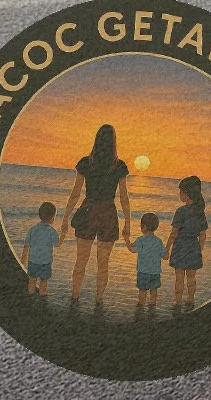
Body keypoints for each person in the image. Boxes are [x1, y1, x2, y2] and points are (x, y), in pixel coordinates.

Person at [60, 124, 132, 304]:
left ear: (96, 139)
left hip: (88, 211)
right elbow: (124, 197)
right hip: (108, 213)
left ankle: (75, 297)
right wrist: (128, 223)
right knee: (103, 263)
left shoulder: (86, 162)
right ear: (113, 142)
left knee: (81, 260)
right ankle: (99, 300)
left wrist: (65, 217)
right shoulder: (119, 166)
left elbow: (76, 193)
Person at [168, 175, 208, 310]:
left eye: (181, 192)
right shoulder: (200, 212)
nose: (179, 194)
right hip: (193, 246)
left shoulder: (181, 211)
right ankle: (190, 299)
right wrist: (200, 248)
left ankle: (177, 302)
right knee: (191, 277)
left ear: (187, 194)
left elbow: (174, 232)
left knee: (179, 277)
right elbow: (203, 234)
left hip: (180, 246)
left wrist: (167, 248)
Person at [130, 213, 167, 310]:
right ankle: (152, 306)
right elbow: (165, 256)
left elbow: (133, 250)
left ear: (144, 227)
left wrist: (126, 240)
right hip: (155, 272)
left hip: (143, 272)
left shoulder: (141, 240)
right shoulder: (158, 241)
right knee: (153, 290)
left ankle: (141, 306)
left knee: (142, 291)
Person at [22, 201, 58, 295]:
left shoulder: (33, 229)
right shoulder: (52, 231)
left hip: (33, 261)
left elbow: (26, 245)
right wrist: (63, 235)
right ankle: (42, 294)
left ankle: (30, 294)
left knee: (32, 280)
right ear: (52, 218)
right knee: (44, 280)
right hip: (45, 262)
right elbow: (57, 243)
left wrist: (23, 260)